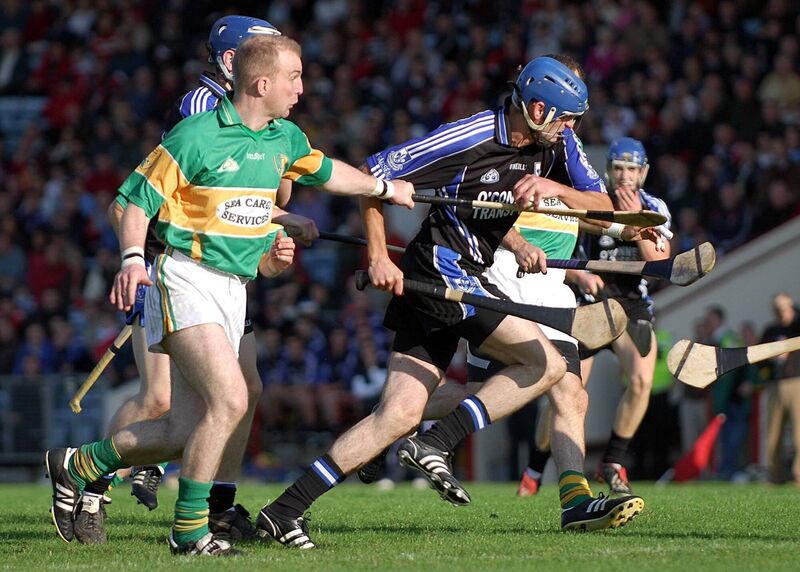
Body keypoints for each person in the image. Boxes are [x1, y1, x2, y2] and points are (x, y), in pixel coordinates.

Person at [44, 33, 415, 557]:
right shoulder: (195, 135)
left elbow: (330, 174)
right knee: (232, 398)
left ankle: (79, 464)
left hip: (233, 289)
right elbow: (133, 203)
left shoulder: (284, 138)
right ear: (262, 83)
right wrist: (132, 259)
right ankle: (191, 533)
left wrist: (383, 189)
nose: (303, 88)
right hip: (184, 278)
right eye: (295, 76)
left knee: (182, 430)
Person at [255, 56, 642, 549]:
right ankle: (436, 441)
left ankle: (283, 510)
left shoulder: (556, 145)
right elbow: (374, 175)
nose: (571, 130)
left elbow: (603, 206)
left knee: (394, 415)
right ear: (539, 109)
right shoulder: (470, 135)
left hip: (464, 275)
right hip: (441, 273)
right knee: (544, 364)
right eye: (566, 119)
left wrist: (552, 189)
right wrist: (378, 255)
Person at [72, 16, 317, 546]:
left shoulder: (262, 119)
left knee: (240, 390)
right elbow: (161, 198)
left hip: (229, 264)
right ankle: (91, 482)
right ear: (235, 64)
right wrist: (138, 257)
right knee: (162, 399)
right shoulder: (205, 110)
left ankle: (218, 506)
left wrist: (277, 210)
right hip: (177, 264)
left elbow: (269, 195)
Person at [522, 137, 671, 497]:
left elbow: (660, 264)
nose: (624, 176)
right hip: (588, 303)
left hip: (632, 303)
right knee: (566, 392)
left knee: (640, 382)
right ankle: (535, 467)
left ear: (643, 173)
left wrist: (636, 220)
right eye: (618, 168)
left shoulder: (653, 206)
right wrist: (580, 275)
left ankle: (613, 462)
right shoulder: (588, 201)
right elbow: (558, 256)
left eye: (632, 169)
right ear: (608, 171)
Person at [760, 293, 800, 485]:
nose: (780, 311)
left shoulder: (797, 326)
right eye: (777, 308)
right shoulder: (770, 330)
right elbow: (758, 357)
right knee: (773, 433)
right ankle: (775, 475)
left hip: (797, 382)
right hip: (775, 383)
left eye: (783, 307)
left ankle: (798, 475)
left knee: (798, 432)